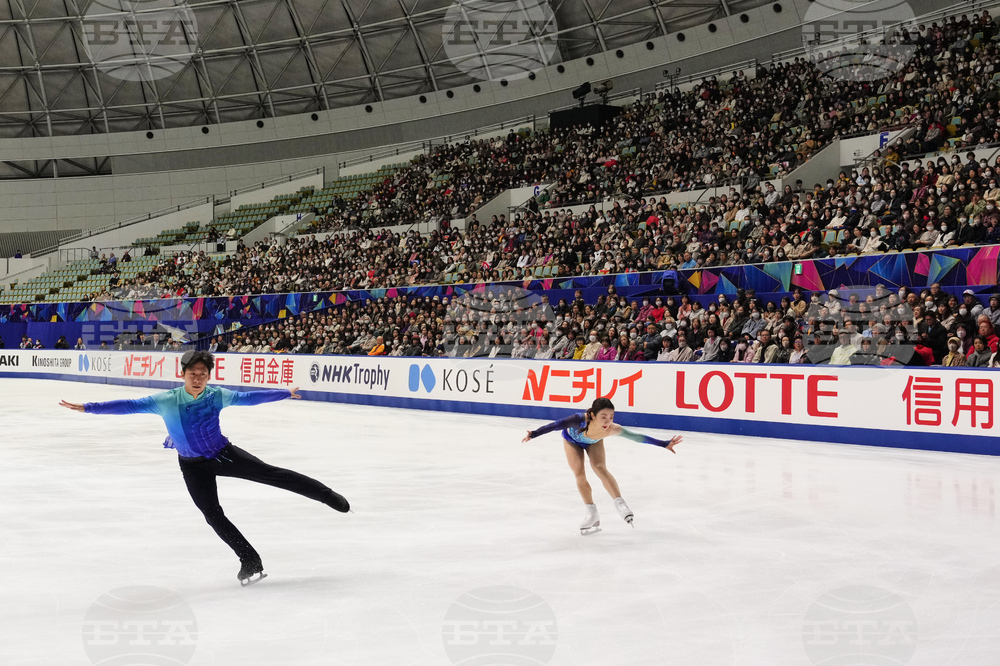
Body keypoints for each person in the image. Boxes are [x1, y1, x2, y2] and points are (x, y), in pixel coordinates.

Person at [59, 350, 350, 586]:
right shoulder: (166, 400)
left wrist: (282, 393)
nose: (198, 378)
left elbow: (248, 398)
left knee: (270, 474)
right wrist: (89, 407)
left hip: (223, 455)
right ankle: (249, 559)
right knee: (212, 514)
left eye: (203, 374)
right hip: (192, 466)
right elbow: (128, 405)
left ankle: (325, 495)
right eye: (192, 373)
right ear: (182, 374)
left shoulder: (217, 395)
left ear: (209, 376)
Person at [521, 397, 682, 535]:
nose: (608, 421)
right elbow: (555, 425)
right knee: (579, 473)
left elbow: (637, 437)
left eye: (611, 416)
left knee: (599, 467)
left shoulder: (612, 429)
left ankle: (620, 503)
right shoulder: (578, 419)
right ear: (592, 415)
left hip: (594, 442)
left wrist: (663, 444)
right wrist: (534, 434)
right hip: (572, 441)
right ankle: (592, 512)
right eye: (603, 416)